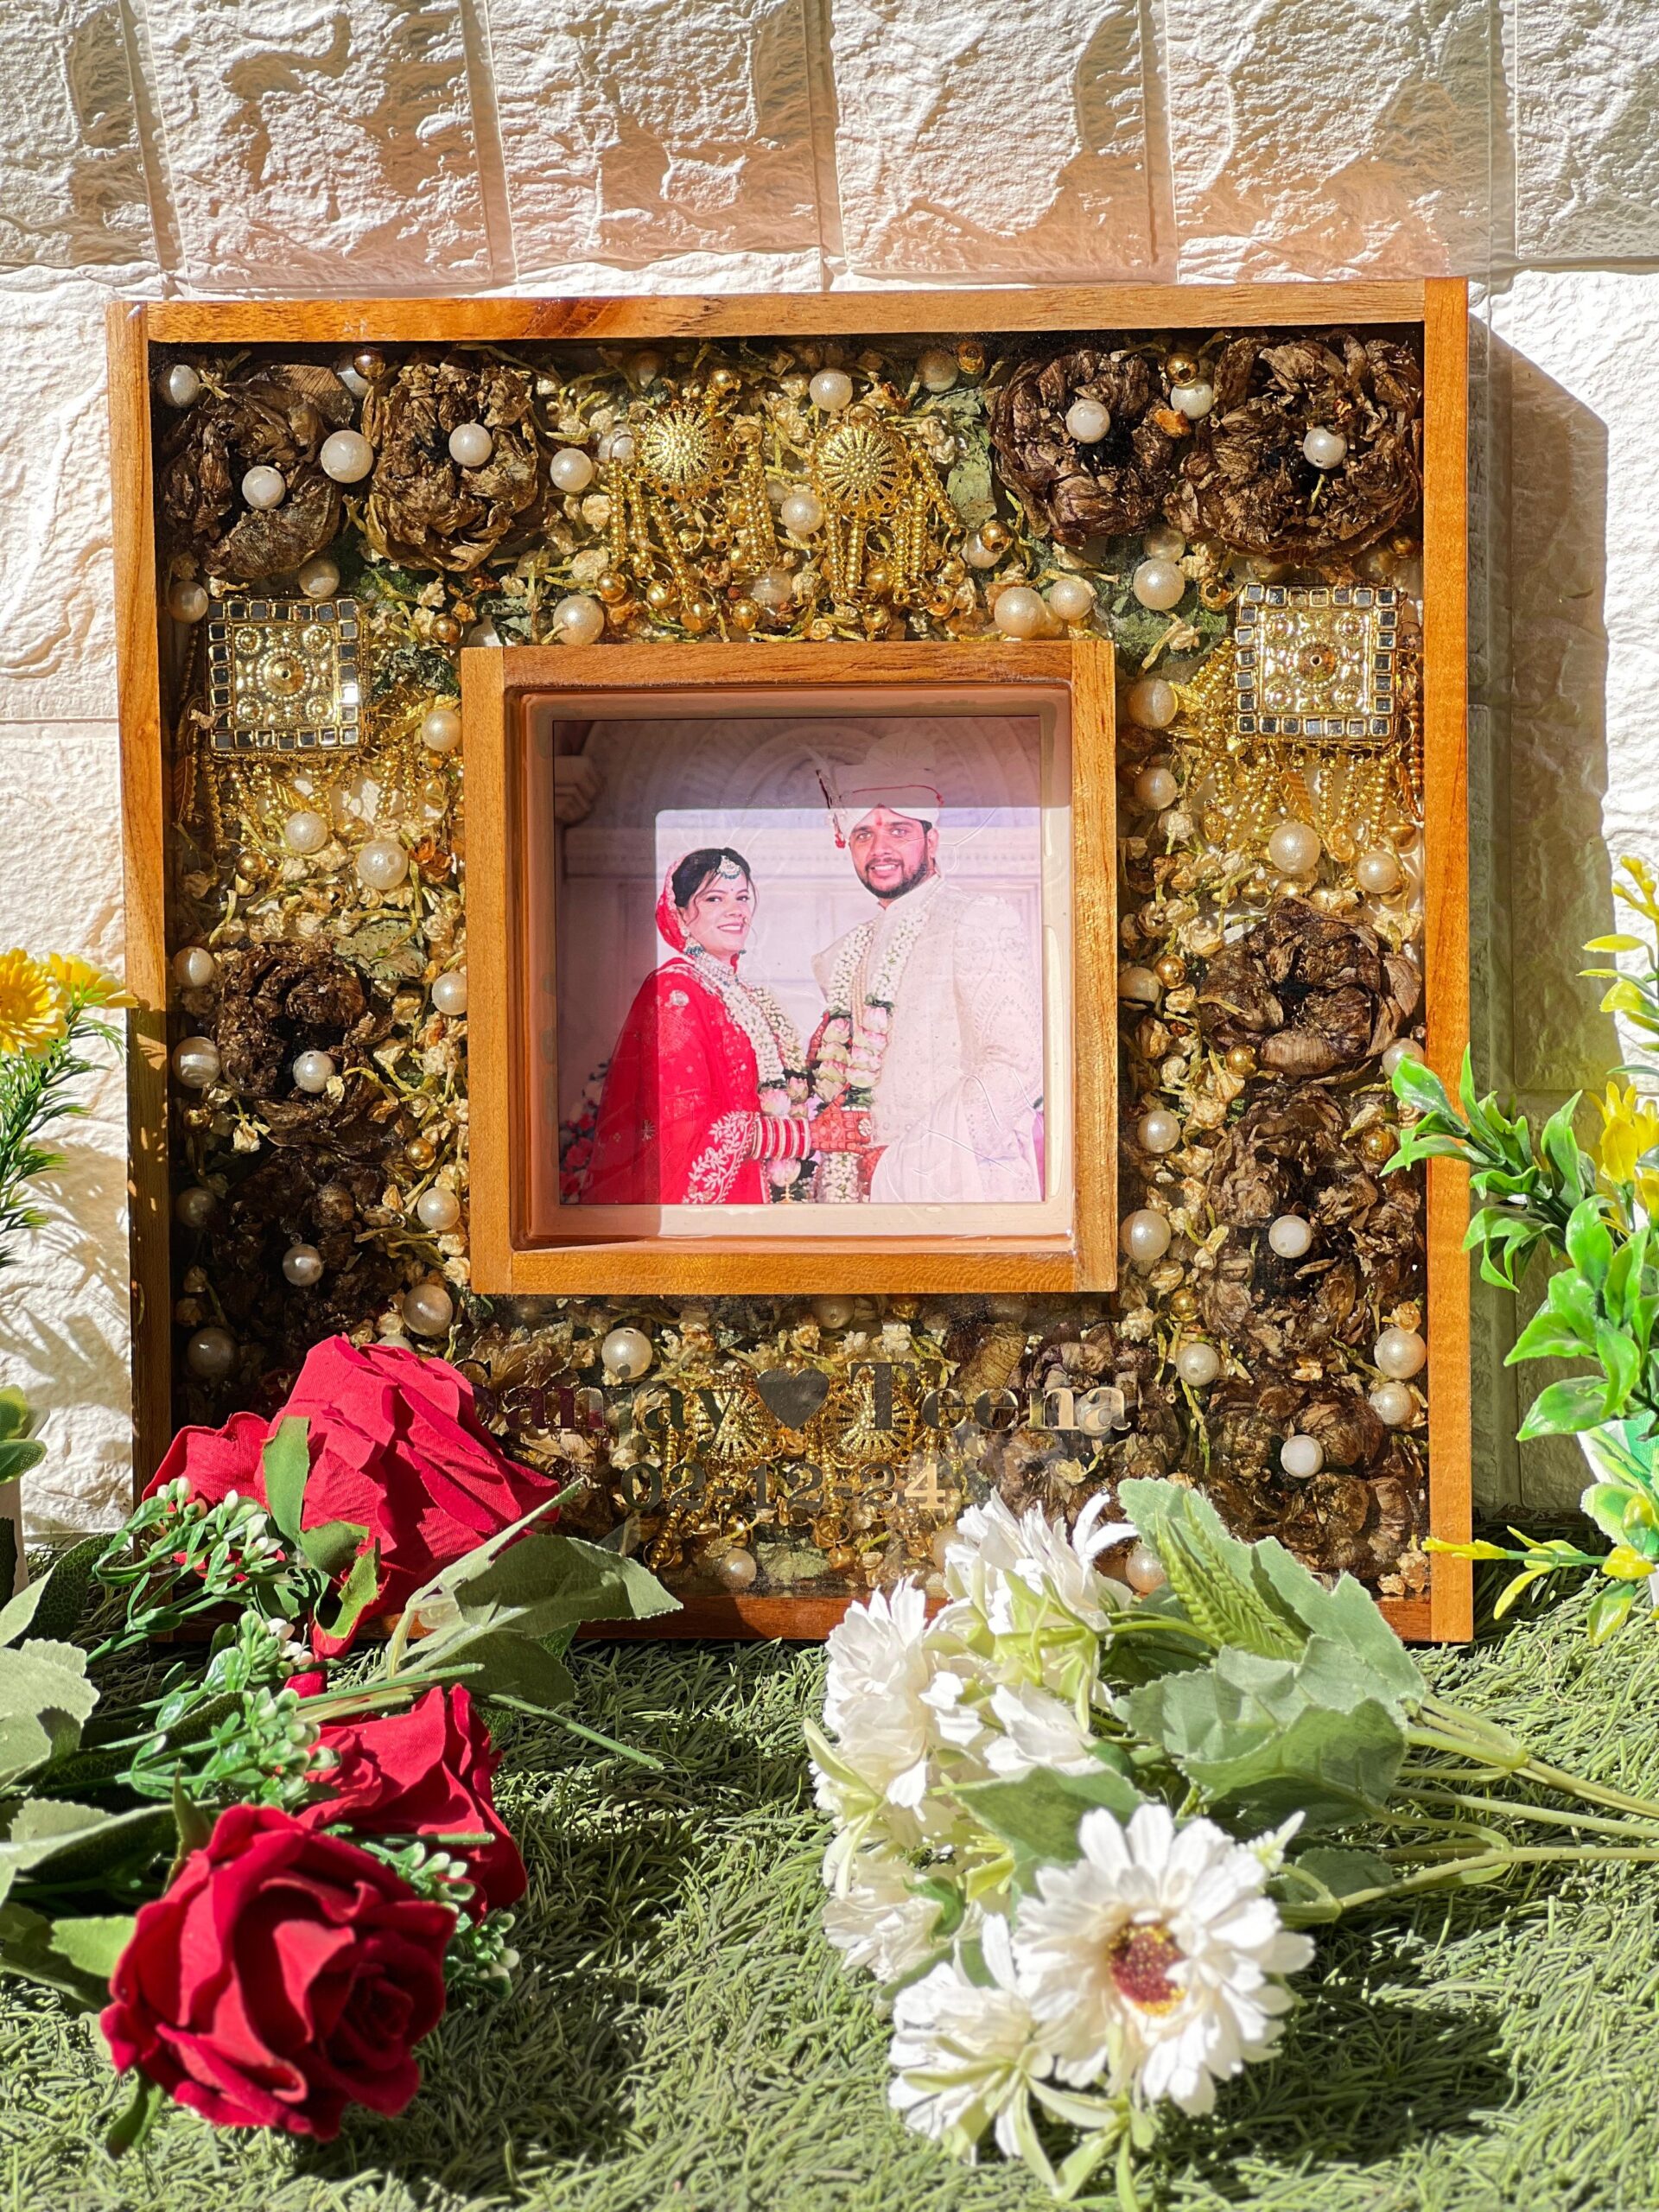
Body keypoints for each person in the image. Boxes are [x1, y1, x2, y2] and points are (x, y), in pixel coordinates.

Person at [808, 769, 1044, 1205]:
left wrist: (905, 1163)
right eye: (863, 834)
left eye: (898, 831)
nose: (879, 849)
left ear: (931, 841)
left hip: (960, 1191)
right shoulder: (846, 954)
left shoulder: (977, 918)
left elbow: (1019, 1064)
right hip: (858, 1197)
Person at [579, 848, 862, 1205]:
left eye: (742, 897)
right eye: (714, 899)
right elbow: (681, 1127)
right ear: (681, 913)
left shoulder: (745, 995)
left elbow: (771, 1095)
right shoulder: (675, 991)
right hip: (720, 1209)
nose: (736, 911)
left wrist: (818, 1060)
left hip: (764, 1195)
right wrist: (806, 1136)